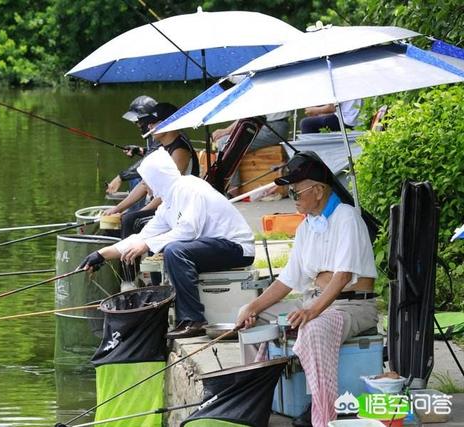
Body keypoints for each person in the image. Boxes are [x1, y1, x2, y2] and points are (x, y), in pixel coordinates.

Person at [235, 151, 378, 427]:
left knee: (312, 329)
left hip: (353, 305)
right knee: (253, 321)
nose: (293, 196)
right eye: (290, 191)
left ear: (319, 190)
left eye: (296, 191)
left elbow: (342, 277)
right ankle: (256, 399)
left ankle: (323, 413)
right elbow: (288, 281)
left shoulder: (347, 218)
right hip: (315, 300)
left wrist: (311, 311)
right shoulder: (306, 228)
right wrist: (252, 307)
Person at [80, 148, 255, 339]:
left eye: (146, 182)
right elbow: (143, 236)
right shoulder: (168, 204)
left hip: (237, 248)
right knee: (173, 249)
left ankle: (193, 320)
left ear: (157, 178)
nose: (145, 187)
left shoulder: (189, 187)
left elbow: (189, 230)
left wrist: (147, 246)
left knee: (175, 250)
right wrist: (102, 255)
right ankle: (185, 317)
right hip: (215, 246)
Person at [104, 102, 199, 237]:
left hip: (180, 208)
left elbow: (167, 193)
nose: (149, 126)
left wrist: (139, 213)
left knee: (130, 220)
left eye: (153, 123)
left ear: (167, 123)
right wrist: (117, 208)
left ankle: (129, 256)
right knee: (116, 223)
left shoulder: (180, 151)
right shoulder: (163, 147)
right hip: (166, 206)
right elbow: (144, 183)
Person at [211, 112, 290, 197]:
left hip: (273, 128)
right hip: (272, 126)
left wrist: (226, 131)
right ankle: (229, 186)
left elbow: (249, 114)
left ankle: (233, 188)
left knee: (225, 142)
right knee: (228, 140)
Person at [105, 96, 160, 210]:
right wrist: (139, 150)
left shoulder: (161, 133)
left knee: (136, 178)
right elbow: (153, 153)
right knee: (136, 178)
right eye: (136, 122)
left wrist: (121, 177)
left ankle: (135, 214)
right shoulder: (151, 134)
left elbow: (151, 159)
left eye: (139, 121)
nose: (138, 125)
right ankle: (134, 211)